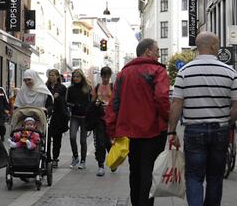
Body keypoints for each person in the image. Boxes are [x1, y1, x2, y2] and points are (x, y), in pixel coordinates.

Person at [168, 32, 237, 206]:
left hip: (194, 131)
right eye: (218, 44)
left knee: (194, 177)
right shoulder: (230, 72)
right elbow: (236, 106)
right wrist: (227, 122)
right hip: (220, 130)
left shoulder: (184, 72)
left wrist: (172, 131)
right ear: (213, 46)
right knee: (215, 177)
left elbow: (176, 104)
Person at [105, 38, 170, 206]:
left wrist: (112, 130)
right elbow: (162, 98)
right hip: (153, 130)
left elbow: (114, 103)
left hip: (128, 131)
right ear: (147, 51)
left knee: (135, 171)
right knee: (149, 171)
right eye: (156, 50)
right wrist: (169, 119)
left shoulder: (123, 73)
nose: (158, 54)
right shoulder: (158, 70)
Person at [66, 69, 91, 169]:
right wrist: (73, 105)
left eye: (77, 76)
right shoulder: (70, 89)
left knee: (83, 140)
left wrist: (86, 108)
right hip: (75, 116)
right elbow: (67, 102)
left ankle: (83, 160)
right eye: (74, 77)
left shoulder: (87, 88)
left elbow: (90, 103)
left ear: (82, 77)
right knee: (72, 137)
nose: (75, 78)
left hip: (84, 117)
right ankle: (75, 157)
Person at [91, 66, 113, 176]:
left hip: (110, 119)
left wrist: (110, 105)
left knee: (109, 142)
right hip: (99, 118)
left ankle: (113, 161)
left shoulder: (113, 87)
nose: (106, 78)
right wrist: (95, 104)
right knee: (100, 142)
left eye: (107, 76)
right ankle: (101, 165)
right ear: (101, 76)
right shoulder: (97, 87)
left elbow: (117, 101)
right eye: (104, 76)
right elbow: (92, 101)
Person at [46, 69, 69, 168]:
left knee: (57, 139)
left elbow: (65, 102)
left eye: (53, 75)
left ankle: (55, 158)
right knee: (46, 138)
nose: (51, 77)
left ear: (57, 76)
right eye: (50, 75)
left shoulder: (62, 87)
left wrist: (58, 97)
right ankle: (47, 157)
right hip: (48, 115)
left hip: (58, 116)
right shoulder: (45, 87)